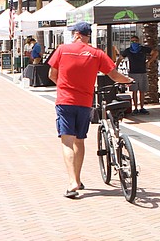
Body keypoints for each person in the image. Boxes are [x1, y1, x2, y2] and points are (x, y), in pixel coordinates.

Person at [49, 22, 133, 198]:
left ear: (77, 35)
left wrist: (63, 87)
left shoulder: (63, 50)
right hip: (85, 103)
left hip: (65, 101)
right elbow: (114, 75)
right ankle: (77, 179)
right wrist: (128, 80)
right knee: (79, 140)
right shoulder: (96, 53)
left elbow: (51, 75)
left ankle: (72, 182)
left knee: (67, 141)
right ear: (88, 36)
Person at [119, 35, 158, 115]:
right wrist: (115, 67)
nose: (134, 43)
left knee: (142, 91)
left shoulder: (143, 49)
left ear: (138, 41)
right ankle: (136, 108)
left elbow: (155, 53)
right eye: (132, 41)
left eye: (136, 41)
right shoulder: (128, 51)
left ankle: (142, 107)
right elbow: (120, 58)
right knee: (134, 91)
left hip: (142, 72)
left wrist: (149, 62)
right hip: (133, 73)